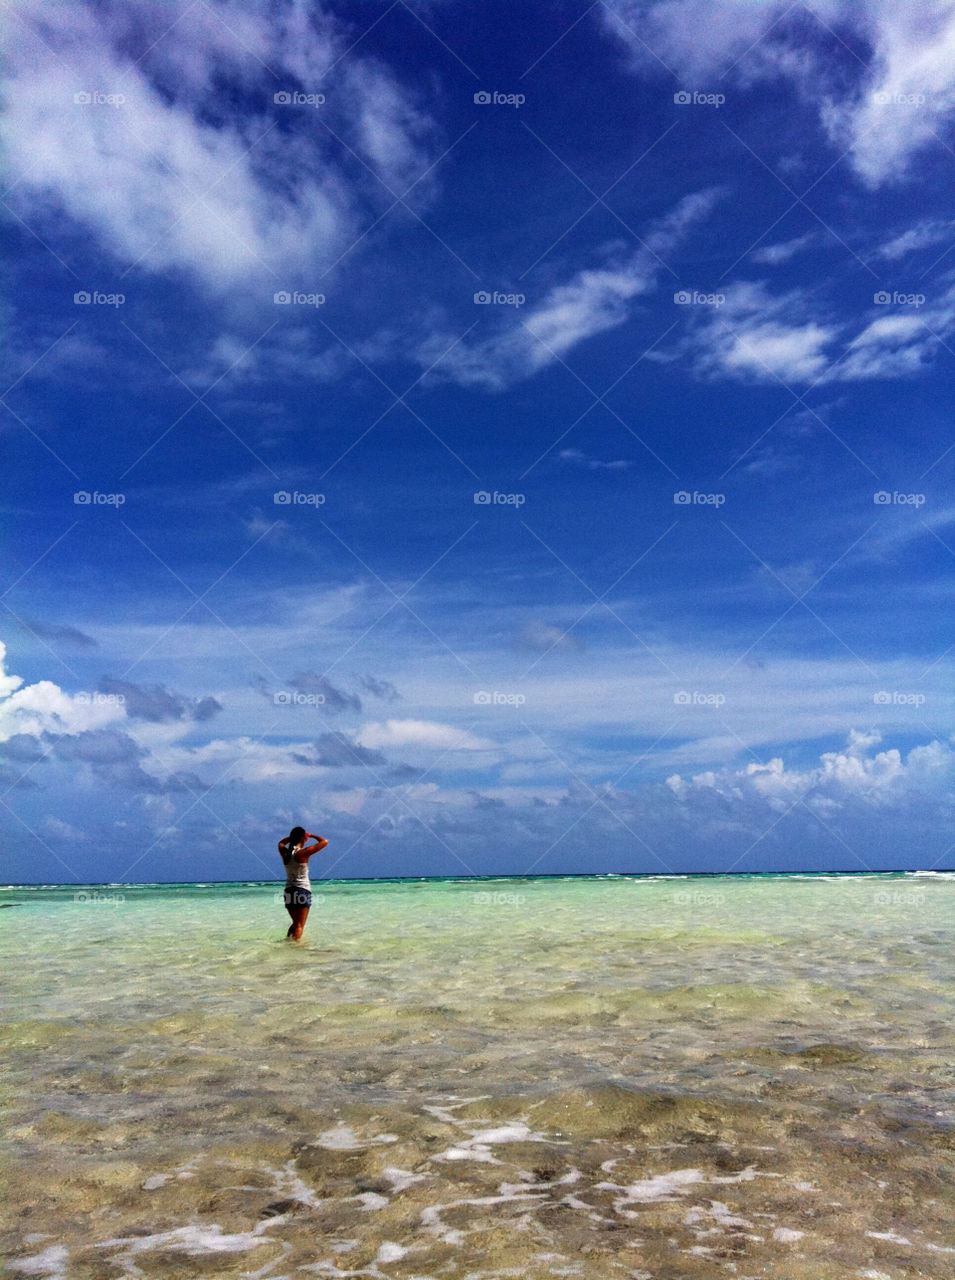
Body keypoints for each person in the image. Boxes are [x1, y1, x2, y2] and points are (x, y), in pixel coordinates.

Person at [278, 825, 328, 940]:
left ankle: (288, 944)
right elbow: (324, 841)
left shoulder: (285, 854)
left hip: (288, 891)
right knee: (300, 925)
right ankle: (296, 949)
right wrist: (311, 835)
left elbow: (281, 843)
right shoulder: (302, 853)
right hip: (302, 890)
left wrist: (291, 838)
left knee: (295, 923)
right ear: (303, 838)